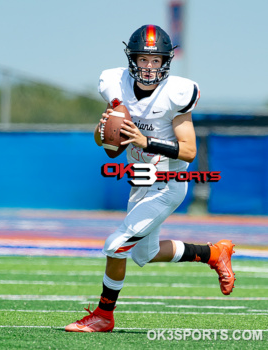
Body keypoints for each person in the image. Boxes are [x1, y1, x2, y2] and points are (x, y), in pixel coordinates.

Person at [65, 24, 235, 333]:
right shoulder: (116, 87)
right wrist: (105, 131)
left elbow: (189, 151)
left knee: (116, 245)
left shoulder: (177, 93)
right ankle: (215, 252)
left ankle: (104, 315)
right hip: (140, 183)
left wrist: (146, 142)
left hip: (168, 184)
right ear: (132, 59)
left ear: (166, 62)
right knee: (146, 253)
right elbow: (110, 151)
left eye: (155, 61)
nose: (148, 67)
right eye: (143, 59)